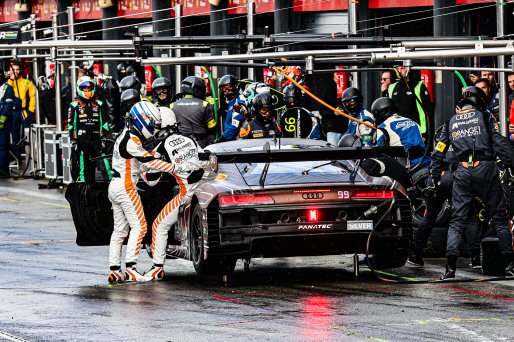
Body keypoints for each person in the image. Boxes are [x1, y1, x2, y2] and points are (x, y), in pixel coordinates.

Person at [430, 86, 514, 279]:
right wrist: (510, 166)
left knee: (457, 221)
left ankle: (450, 269)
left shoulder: (450, 122)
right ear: (479, 102)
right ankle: (510, 264)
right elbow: (500, 144)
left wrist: (434, 177)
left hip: (462, 171)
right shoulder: (485, 118)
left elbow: (438, 152)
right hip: (486, 168)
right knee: (500, 217)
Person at [108, 101, 184, 283]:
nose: (153, 128)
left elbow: (140, 162)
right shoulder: (132, 139)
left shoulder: (126, 136)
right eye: (152, 124)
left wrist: (155, 159)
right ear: (143, 120)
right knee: (140, 226)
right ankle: (131, 269)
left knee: (119, 230)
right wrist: (174, 167)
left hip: (115, 185)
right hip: (126, 186)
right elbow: (149, 162)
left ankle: (115, 270)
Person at [144, 117, 204, 280]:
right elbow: (204, 157)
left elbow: (151, 180)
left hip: (186, 193)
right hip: (204, 190)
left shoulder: (160, 147)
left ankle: (157, 268)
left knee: (158, 225)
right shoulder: (190, 139)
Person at [361, 97, 429, 204]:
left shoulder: (383, 127)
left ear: (382, 113)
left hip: (406, 167)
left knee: (373, 164)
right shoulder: (412, 121)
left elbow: (379, 152)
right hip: (425, 162)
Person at [67, 76, 111, 183]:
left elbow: (104, 122)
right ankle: (83, 186)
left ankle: (109, 183)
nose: (87, 90)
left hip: (97, 139)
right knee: (83, 165)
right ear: (79, 89)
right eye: (85, 88)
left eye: (89, 88)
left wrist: (104, 137)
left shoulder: (99, 104)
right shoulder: (74, 105)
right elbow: (71, 125)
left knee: (104, 163)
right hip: (82, 141)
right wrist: (74, 140)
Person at [170, 76, 216, 148]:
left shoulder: (172, 105)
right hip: (201, 144)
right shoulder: (205, 104)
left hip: (180, 144)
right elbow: (211, 127)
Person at [387, 65, 432, 138]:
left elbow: (425, 112)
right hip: (397, 131)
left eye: (402, 68)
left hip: (414, 130)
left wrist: (424, 133)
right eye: (397, 69)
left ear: (408, 69)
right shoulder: (392, 87)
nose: (399, 71)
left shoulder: (418, 86)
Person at [8, 63, 36, 164]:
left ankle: (32, 158)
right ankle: (17, 159)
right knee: (14, 137)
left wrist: (31, 110)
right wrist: (11, 80)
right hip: (12, 112)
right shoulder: (8, 82)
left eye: (17, 69)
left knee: (29, 135)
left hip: (24, 112)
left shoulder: (27, 82)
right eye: (13, 70)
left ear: (20, 70)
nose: (15, 71)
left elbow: (33, 96)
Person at [215, 74, 247, 142]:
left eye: (229, 88)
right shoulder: (232, 101)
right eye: (224, 89)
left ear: (235, 86)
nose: (226, 91)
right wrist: (224, 114)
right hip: (231, 138)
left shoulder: (240, 101)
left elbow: (235, 124)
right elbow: (233, 118)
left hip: (237, 140)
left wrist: (223, 138)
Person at [0, 69, 15, 177]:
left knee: (2, 145)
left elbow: (7, 107)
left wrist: (1, 120)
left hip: (4, 122)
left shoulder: (7, 88)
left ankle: (3, 170)